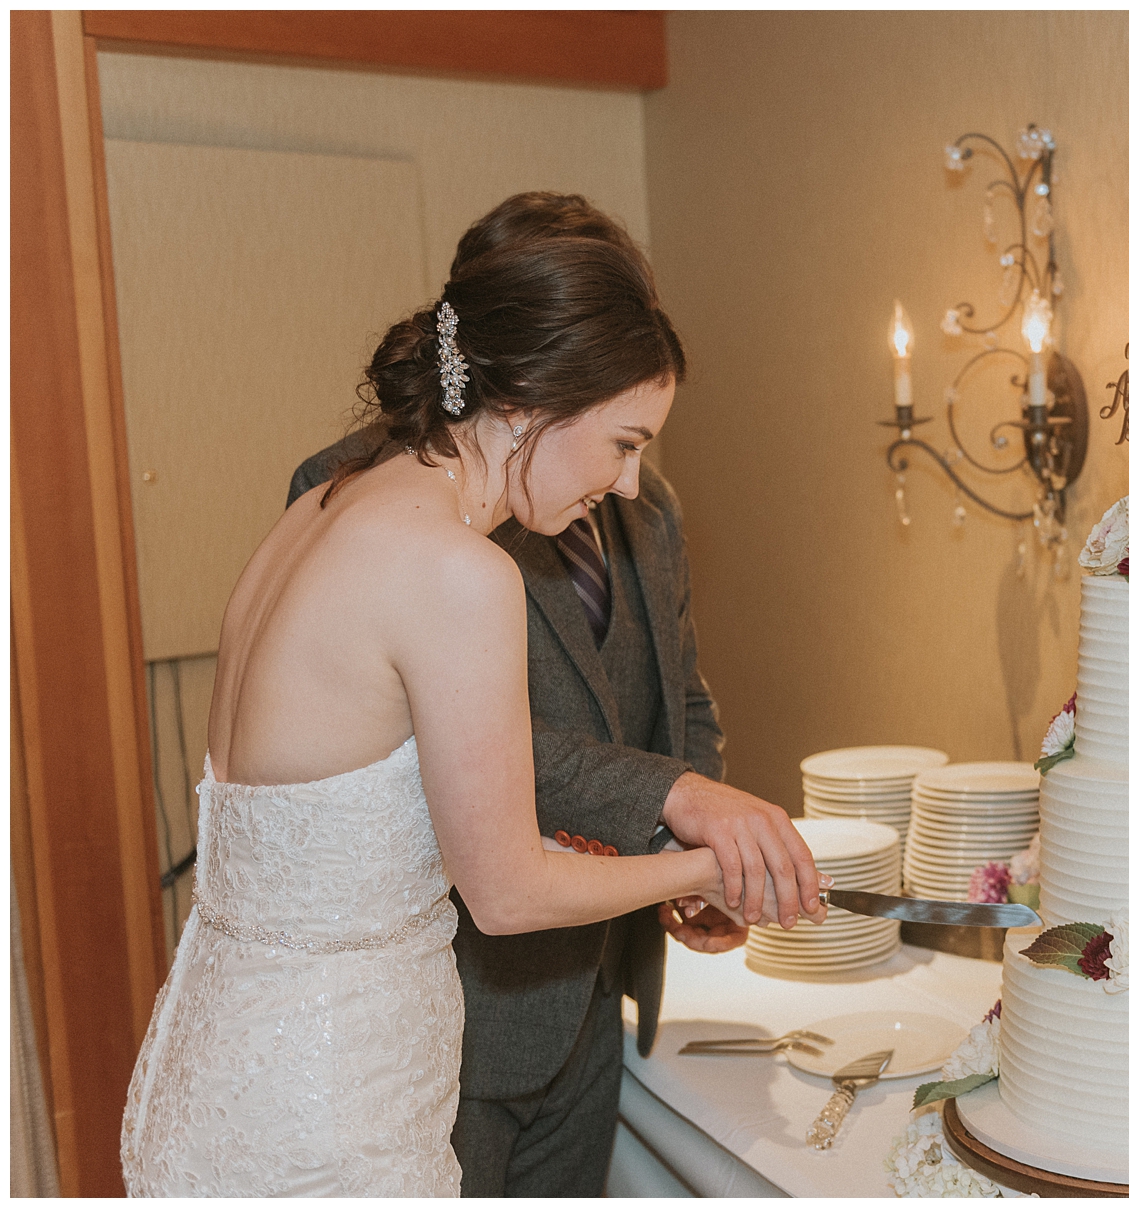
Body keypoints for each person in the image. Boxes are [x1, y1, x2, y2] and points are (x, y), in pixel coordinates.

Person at [120, 212, 825, 1196]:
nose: (628, 481)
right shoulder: (457, 569)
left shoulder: (325, 508)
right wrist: (715, 863)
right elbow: (506, 891)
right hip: (332, 1097)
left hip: (219, 1064)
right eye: (622, 441)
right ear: (536, 400)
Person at [284, 192, 761, 1196]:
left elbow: (679, 708)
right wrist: (677, 818)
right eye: (620, 438)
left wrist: (692, 857)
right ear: (530, 370)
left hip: (589, 993)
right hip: (447, 1002)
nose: (632, 476)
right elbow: (456, 743)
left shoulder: (646, 509)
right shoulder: (365, 504)